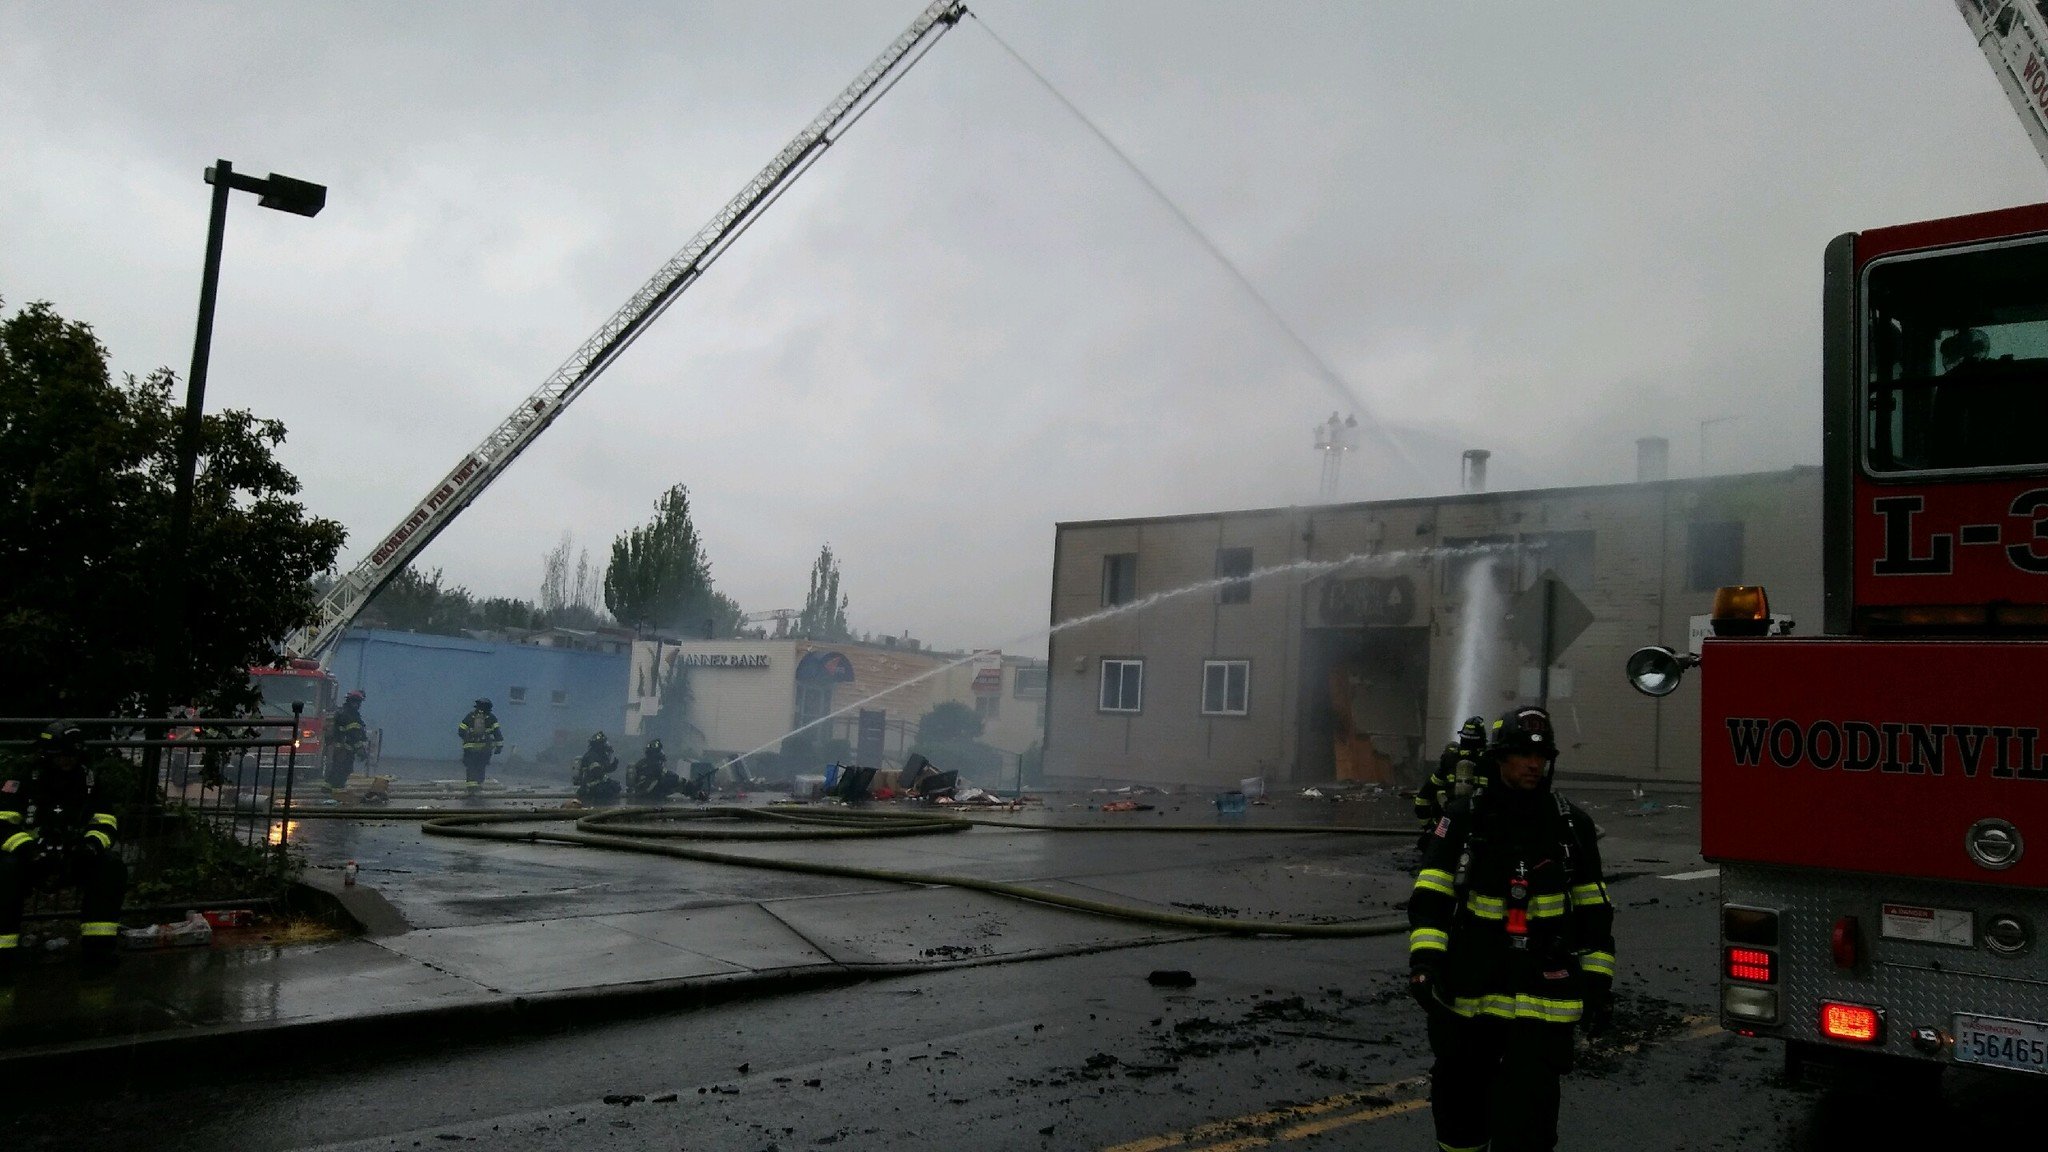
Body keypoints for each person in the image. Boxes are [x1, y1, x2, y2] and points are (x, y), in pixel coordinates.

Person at [1407, 705, 1615, 1152]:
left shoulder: (1571, 826)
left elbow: (1594, 910)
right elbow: (1433, 895)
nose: (1534, 764)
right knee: (1460, 1120)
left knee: (1530, 1129)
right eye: (1522, 754)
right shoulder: (1463, 820)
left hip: (1543, 1001)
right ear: (1499, 759)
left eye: (1541, 756)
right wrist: (1424, 961)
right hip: (1470, 995)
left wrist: (1598, 980)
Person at [0, 723, 128, 972]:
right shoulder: (23, 777)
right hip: (28, 857)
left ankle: (98, 951)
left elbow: (106, 820)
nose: (67, 761)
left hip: (74, 856)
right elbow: (3, 822)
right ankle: (3, 955)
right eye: (62, 755)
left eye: (72, 755)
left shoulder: (88, 779)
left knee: (110, 868)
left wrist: (90, 846)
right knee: (4, 871)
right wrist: (29, 850)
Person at [1414, 716, 1489, 848]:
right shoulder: (1490, 760)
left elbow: (1423, 798)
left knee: (1434, 849)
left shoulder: (1449, 760)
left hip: (1448, 821)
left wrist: (1429, 827)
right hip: (1480, 825)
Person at [457, 699, 504, 797]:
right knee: (481, 767)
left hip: (469, 749)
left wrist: (468, 738)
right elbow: (497, 734)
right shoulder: (491, 718)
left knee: (471, 767)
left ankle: (471, 789)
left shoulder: (470, 716)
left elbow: (460, 731)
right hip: (484, 749)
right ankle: (478, 786)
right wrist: (499, 747)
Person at [326, 690, 369, 793]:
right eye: (358, 702)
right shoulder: (351, 715)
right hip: (346, 749)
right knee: (343, 770)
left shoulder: (342, 712)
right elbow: (353, 735)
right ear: (354, 702)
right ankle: (337, 793)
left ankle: (328, 788)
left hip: (339, 748)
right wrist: (360, 750)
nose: (358, 705)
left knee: (336, 769)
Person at [572, 732, 622, 806]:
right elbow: (597, 772)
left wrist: (614, 765)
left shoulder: (599, 755)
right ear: (599, 745)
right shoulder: (591, 756)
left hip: (596, 785)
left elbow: (605, 769)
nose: (606, 745)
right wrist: (608, 781)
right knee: (610, 788)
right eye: (604, 743)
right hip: (590, 787)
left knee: (615, 786)